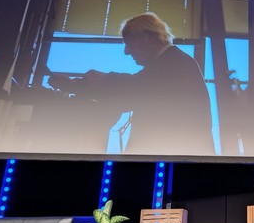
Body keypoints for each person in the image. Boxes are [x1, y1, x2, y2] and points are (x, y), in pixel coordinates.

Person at [48, 12, 214, 155]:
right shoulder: (173, 62)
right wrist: (75, 84)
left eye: (129, 43)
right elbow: (135, 90)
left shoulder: (174, 63)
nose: (126, 51)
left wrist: (99, 81)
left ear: (146, 37)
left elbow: (135, 91)